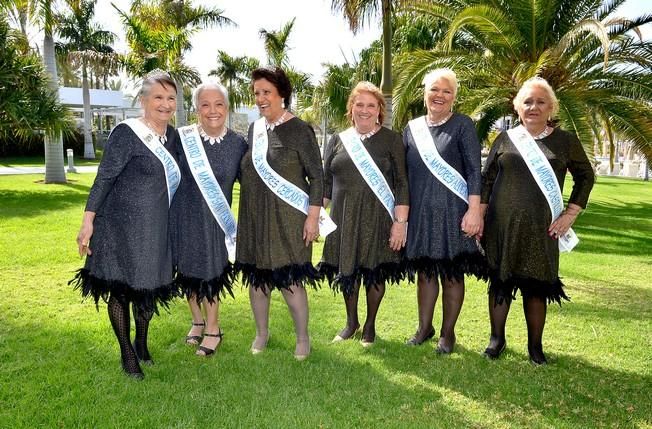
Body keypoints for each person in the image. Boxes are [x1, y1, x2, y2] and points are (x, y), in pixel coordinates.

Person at [70, 70, 181, 379]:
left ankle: (142, 344)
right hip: (119, 227)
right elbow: (104, 177)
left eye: (171, 98)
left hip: (155, 228)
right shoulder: (126, 133)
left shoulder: (173, 137)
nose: (165, 104)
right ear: (143, 100)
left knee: (148, 287)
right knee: (120, 291)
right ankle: (127, 354)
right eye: (158, 97)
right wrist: (87, 221)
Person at [481, 77, 594, 365]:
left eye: (540, 102)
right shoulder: (506, 139)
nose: (533, 107)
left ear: (551, 108)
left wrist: (571, 212)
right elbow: (487, 178)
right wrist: (479, 213)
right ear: (518, 108)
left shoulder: (565, 141)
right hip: (502, 224)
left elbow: (586, 176)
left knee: (537, 287)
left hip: (542, 227)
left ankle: (535, 347)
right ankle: (497, 340)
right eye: (527, 102)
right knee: (500, 282)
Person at [235, 66, 324, 360]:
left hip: (288, 220)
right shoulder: (254, 129)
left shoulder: (300, 130)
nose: (261, 98)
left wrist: (313, 217)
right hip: (255, 218)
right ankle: (261, 333)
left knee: (290, 281)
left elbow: (317, 177)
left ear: (282, 94)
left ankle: (302, 338)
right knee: (258, 281)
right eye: (257, 93)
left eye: (267, 93)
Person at [320, 81, 409, 347]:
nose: (365, 110)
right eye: (359, 104)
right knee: (348, 269)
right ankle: (351, 323)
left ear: (380, 110)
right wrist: (316, 216)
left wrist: (400, 223)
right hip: (343, 216)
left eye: (371, 105)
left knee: (373, 270)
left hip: (377, 217)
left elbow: (402, 183)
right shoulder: (337, 139)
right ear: (351, 108)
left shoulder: (392, 140)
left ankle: (369, 326)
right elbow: (325, 182)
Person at [402, 69, 486, 353]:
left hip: (454, 212)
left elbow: (475, 170)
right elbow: (402, 173)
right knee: (425, 272)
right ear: (424, 93)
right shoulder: (411, 128)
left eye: (446, 91)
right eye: (434, 90)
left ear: (454, 97)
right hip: (421, 212)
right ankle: (424, 328)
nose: (439, 96)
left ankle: (448, 334)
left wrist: (474, 210)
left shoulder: (462, 125)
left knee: (452, 273)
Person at [173, 81, 247, 357]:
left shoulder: (238, 143)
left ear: (227, 108)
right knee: (188, 274)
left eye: (218, 104)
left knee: (211, 274)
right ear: (196, 109)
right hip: (183, 216)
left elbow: (252, 181)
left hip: (216, 222)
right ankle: (197, 320)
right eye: (205, 104)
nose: (212, 110)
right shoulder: (182, 138)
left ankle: (213, 329)